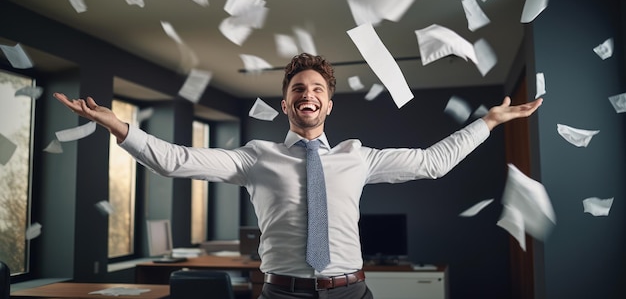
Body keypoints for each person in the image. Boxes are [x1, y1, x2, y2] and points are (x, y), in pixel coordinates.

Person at [54, 53, 542, 299]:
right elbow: (175, 160)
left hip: (350, 292)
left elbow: (433, 161)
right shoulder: (256, 156)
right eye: (297, 89)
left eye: (316, 89)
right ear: (286, 103)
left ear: (328, 103)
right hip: (281, 292)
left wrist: (490, 122)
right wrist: (116, 124)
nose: (307, 94)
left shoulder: (358, 156)